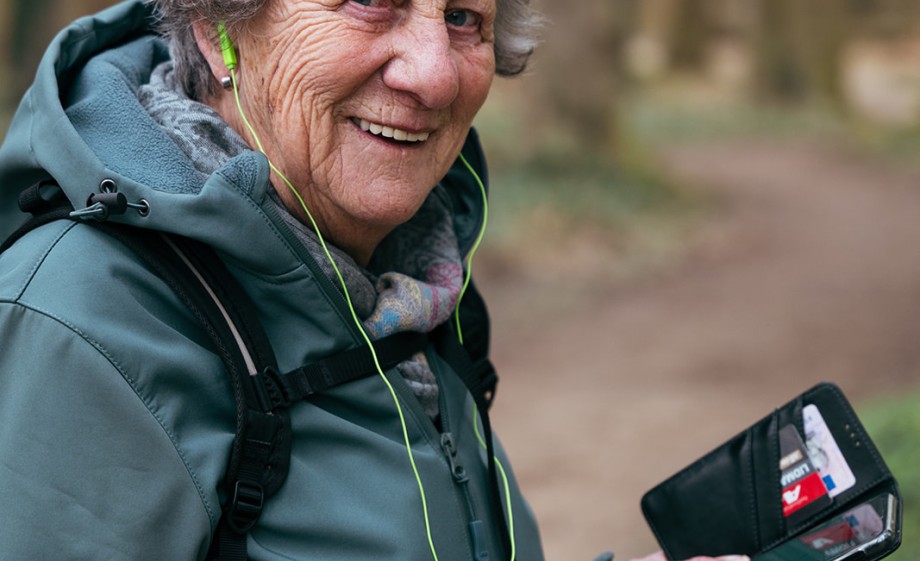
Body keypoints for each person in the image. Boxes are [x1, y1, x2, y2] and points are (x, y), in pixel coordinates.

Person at [0, 1, 750, 560]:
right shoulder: (78, 328)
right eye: (368, 1)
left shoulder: (408, 278)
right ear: (218, 29)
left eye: (463, 17)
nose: (433, 73)